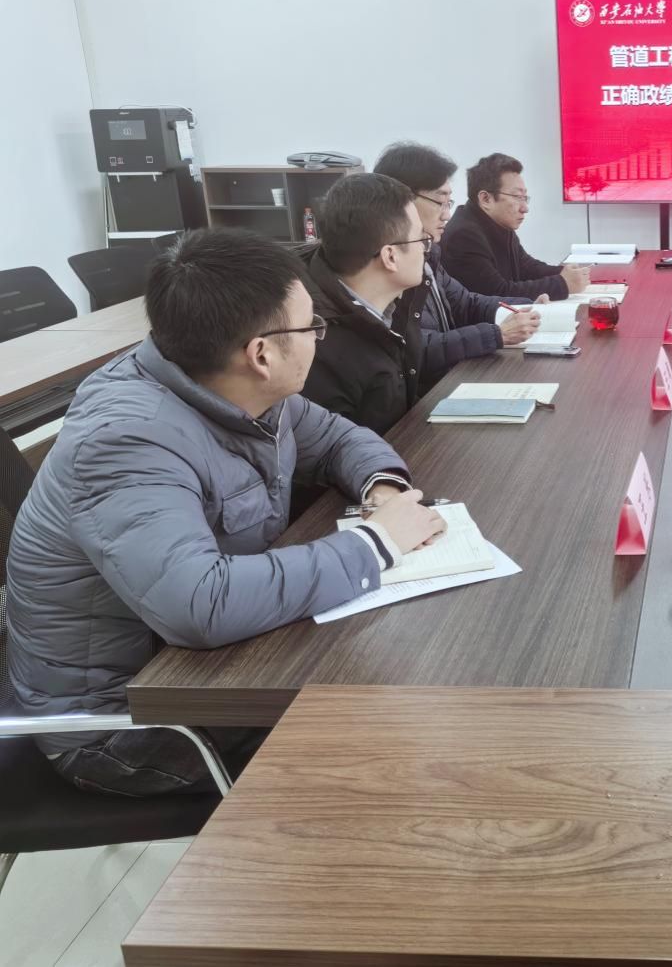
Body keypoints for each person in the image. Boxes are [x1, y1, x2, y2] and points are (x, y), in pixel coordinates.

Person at [5, 228, 446, 796]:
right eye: (311, 326)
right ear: (261, 354)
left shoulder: (241, 389)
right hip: (127, 725)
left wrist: (380, 490)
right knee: (387, 748)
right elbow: (200, 604)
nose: (319, 337)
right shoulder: (127, 442)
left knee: (392, 685)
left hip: (201, 673)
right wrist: (375, 544)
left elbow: (338, 438)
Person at [373, 141, 543, 390]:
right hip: (424, 394)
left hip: (447, 379)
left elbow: (466, 303)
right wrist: (496, 334)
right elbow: (412, 348)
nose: (446, 214)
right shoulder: (388, 261)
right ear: (402, 201)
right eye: (439, 201)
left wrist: (526, 306)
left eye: (449, 203)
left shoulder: (429, 253)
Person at [441, 152, 589, 301]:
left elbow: (526, 267)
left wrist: (565, 272)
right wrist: (562, 284)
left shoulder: (499, 224)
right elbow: (497, 292)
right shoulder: (463, 236)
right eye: (518, 197)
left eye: (525, 198)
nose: (525, 208)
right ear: (486, 199)